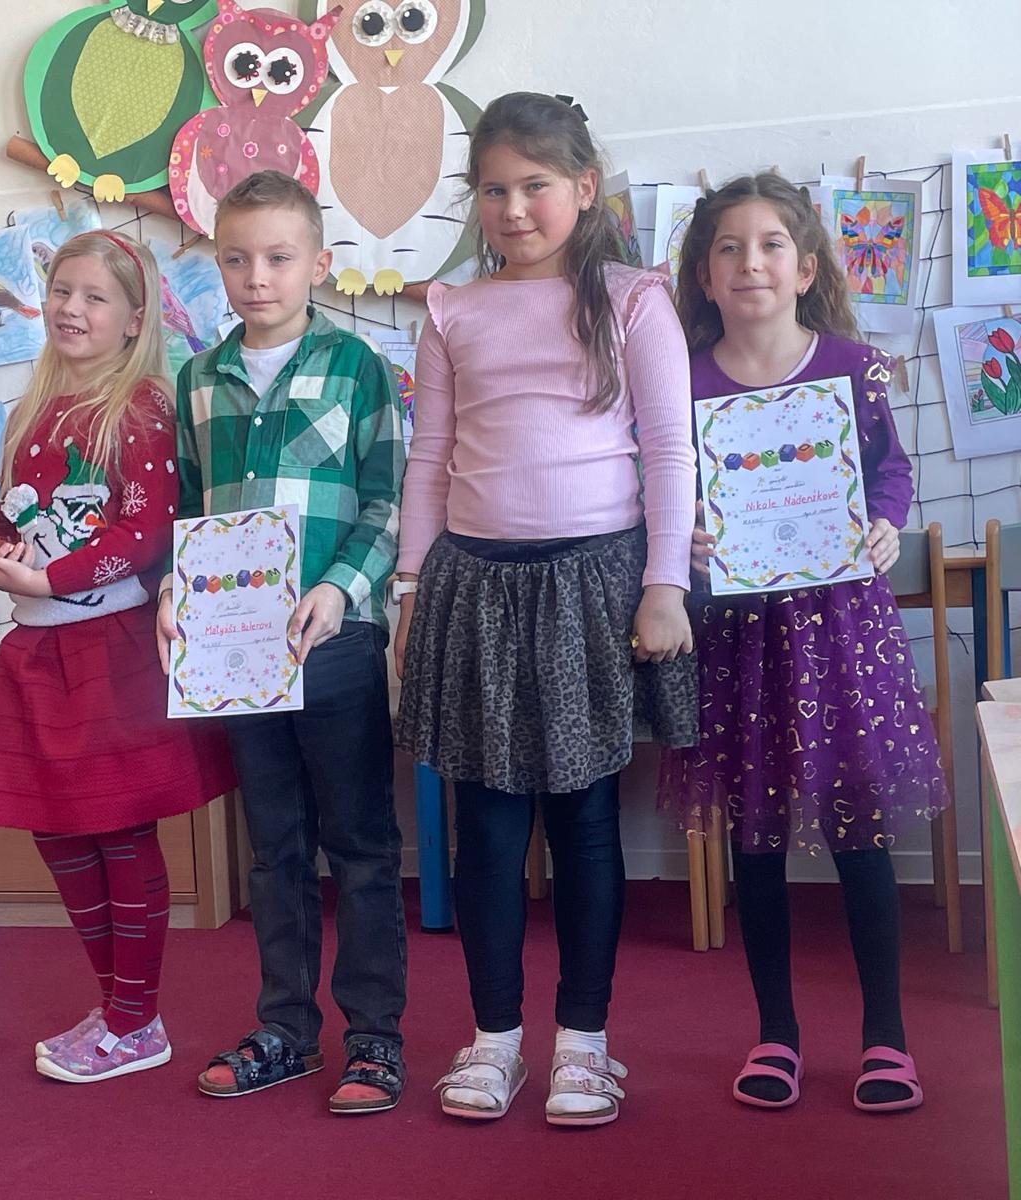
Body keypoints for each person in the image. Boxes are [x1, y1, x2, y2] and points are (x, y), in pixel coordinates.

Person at [395, 93, 698, 1126]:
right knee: (484, 829)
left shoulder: (631, 299)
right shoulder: (452, 310)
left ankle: (583, 1042)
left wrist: (664, 583)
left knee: (583, 824)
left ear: (584, 187)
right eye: (493, 190)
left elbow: (669, 448)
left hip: (593, 587)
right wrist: (409, 589)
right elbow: (430, 460)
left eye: (535, 186)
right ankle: (493, 1041)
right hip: (473, 588)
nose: (514, 208)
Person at [662, 172, 946, 1114]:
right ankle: (775, 1032)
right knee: (757, 837)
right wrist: (683, 537)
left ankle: (886, 1036)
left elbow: (889, 470)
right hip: (739, 638)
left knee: (862, 831)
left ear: (806, 267)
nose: (751, 262)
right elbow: (662, 488)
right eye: (729, 248)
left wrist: (885, 523)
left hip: (843, 635)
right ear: (705, 275)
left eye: (771, 244)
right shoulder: (681, 380)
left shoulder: (856, 367)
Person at [159, 170, 410, 1114]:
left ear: (318, 263)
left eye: (277, 257)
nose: (256, 277)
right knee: (275, 849)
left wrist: (339, 589)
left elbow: (388, 501)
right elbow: (190, 509)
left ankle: (375, 1038)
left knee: (361, 844)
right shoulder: (198, 379)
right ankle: (288, 1031)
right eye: (236, 259)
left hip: (335, 643)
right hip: (237, 655)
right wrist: (173, 594)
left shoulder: (357, 366)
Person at [0, 230, 234, 1083]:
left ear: (132, 318)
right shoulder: (34, 407)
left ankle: (136, 1019)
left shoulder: (142, 407)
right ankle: (117, 1003)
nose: (71, 308)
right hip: (37, 645)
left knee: (117, 830)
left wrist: (48, 576)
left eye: (94, 296)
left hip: (108, 648)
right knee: (58, 830)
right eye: (61, 290)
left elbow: (146, 531)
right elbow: (21, 510)